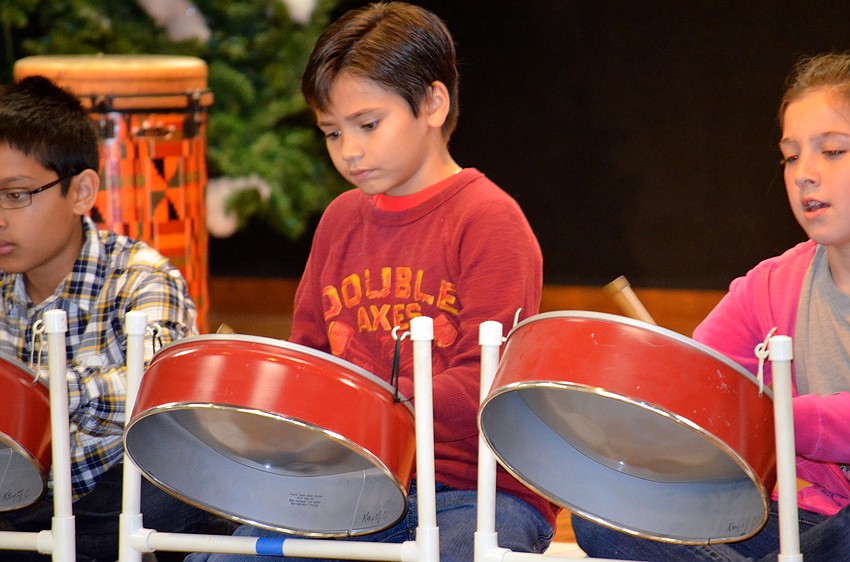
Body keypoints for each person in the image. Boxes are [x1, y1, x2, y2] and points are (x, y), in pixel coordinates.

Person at [187, 2, 557, 561]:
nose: (349, 151)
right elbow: (307, 355)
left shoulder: (488, 220)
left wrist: (368, 403)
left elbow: (491, 384)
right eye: (332, 133)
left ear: (433, 103)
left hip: (471, 491)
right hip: (348, 484)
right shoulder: (339, 220)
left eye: (367, 125)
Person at [572, 52, 850, 561]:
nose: (804, 174)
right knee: (605, 516)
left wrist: (776, 421)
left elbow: (778, 421)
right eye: (790, 155)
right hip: (801, 519)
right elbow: (698, 381)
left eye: (832, 151)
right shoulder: (769, 287)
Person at [0, 76, 233, 561]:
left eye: (16, 195)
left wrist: (47, 396)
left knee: (171, 490)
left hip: (116, 495)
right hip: (18, 497)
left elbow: (155, 388)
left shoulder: (141, 276)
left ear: (82, 190)